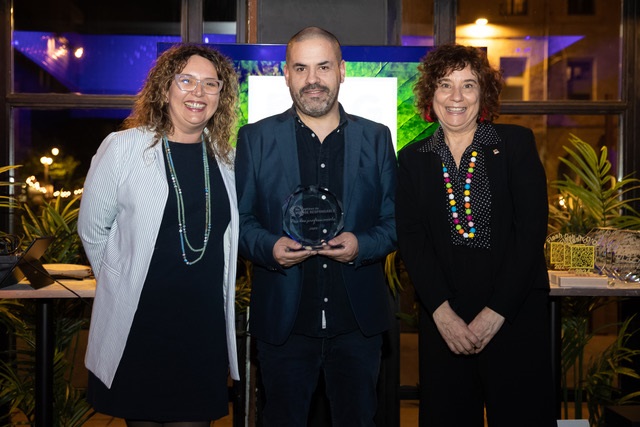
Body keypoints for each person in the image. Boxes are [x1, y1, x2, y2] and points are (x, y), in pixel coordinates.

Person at [235, 26, 397, 426]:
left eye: (323, 66)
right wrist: (269, 248)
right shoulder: (255, 139)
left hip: (357, 327)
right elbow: (239, 223)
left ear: (342, 71)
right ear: (285, 74)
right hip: (285, 327)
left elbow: (396, 222)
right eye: (301, 68)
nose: (312, 79)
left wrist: (362, 244)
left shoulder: (376, 138)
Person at [78, 43, 240, 427]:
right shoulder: (124, 149)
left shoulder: (228, 159)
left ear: (221, 95)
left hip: (202, 328)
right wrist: (123, 280)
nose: (198, 93)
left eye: (210, 84)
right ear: (165, 88)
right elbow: (92, 229)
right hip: (141, 325)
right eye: (186, 81)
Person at [396, 44, 555, 427]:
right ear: (430, 94)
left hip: (514, 311)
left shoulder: (515, 143)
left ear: (483, 93)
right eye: (445, 85)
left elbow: (531, 230)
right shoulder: (412, 157)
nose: (456, 97)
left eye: (468, 85)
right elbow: (413, 239)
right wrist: (442, 313)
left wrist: (496, 311)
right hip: (445, 317)